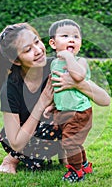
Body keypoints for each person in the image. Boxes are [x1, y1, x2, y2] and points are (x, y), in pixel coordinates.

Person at [0, 23, 110, 174]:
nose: (38, 50)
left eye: (37, 41)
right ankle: (11, 159)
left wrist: (77, 84)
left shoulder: (58, 65)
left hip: (55, 131)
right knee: (47, 121)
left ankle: (64, 151)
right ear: (16, 60)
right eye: (28, 49)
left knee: (67, 116)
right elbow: (15, 142)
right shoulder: (10, 87)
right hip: (25, 136)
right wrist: (42, 102)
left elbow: (105, 100)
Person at [43, 19, 99, 182]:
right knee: (73, 141)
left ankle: (76, 171)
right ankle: (84, 164)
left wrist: (68, 57)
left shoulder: (79, 62)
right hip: (64, 111)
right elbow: (58, 88)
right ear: (53, 43)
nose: (72, 39)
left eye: (76, 36)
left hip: (79, 112)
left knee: (69, 143)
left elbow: (78, 77)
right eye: (65, 35)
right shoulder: (54, 64)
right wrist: (52, 106)